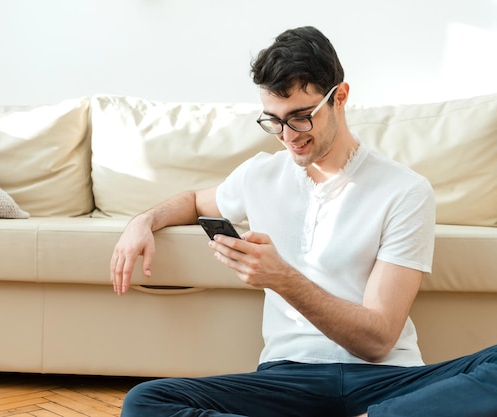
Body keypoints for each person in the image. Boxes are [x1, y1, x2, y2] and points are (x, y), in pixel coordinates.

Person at [110, 26, 497, 417]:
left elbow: (378, 340)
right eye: (274, 121)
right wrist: (142, 222)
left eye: (300, 117)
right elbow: (194, 201)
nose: (287, 136)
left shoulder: (405, 190)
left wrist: (282, 277)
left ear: (339, 97)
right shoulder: (259, 175)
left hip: (387, 381)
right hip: (286, 379)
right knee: (146, 401)